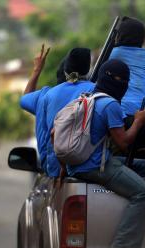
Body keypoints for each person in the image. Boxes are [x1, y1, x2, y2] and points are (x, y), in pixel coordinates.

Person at [67, 59, 145, 248]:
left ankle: (127, 211)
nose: (124, 84)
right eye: (123, 80)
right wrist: (139, 121)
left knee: (141, 166)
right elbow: (123, 143)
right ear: (118, 82)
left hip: (77, 164)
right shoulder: (110, 105)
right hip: (96, 166)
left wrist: (64, 166)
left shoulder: (86, 98)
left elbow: (55, 133)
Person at [41, 47, 95, 178]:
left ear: (66, 68)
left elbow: (46, 132)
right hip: (84, 165)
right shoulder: (95, 90)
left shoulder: (50, 94)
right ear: (88, 68)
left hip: (55, 168)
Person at [109, 16, 145, 125]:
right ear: (142, 37)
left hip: (114, 112)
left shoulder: (111, 54)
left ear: (120, 35)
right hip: (143, 114)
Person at [19, 44, 66, 172]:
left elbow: (25, 99)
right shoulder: (90, 93)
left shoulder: (45, 97)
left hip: (52, 170)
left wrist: (37, 70)